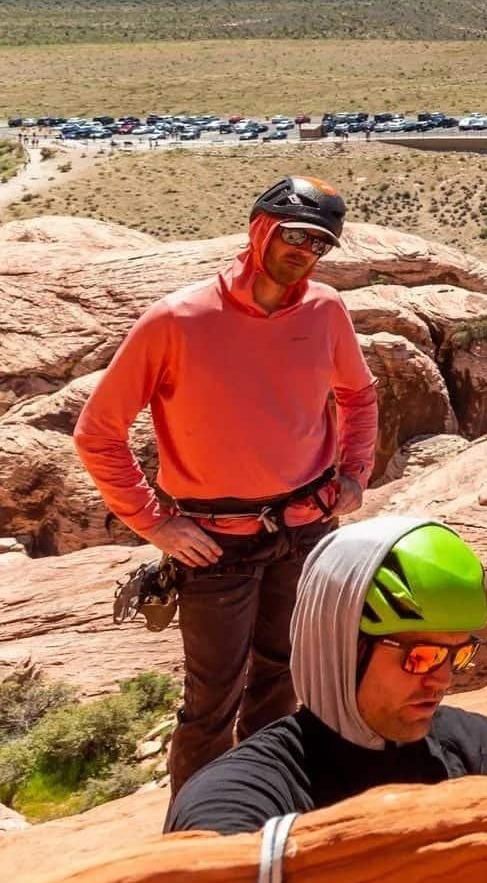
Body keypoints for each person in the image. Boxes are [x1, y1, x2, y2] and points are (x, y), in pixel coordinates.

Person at [74, 176, 378, 795]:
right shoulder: (178, 320)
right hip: (215, 542)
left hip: (305, 528)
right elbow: (96, 431)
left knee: (282, 677)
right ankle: (197, 832)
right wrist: (154, 522)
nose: (303, 251)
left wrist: (354, 471)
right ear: (259, 228)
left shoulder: (324, 311)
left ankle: (259, 806)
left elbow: (358, 394)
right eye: (293, 234)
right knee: (212, 695)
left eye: (319, 244)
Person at [165, 518, 487, 835]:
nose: (442, 681)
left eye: (457, 655)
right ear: (342, 644)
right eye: (422, 657)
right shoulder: (239, 797)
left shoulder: (474, 746)